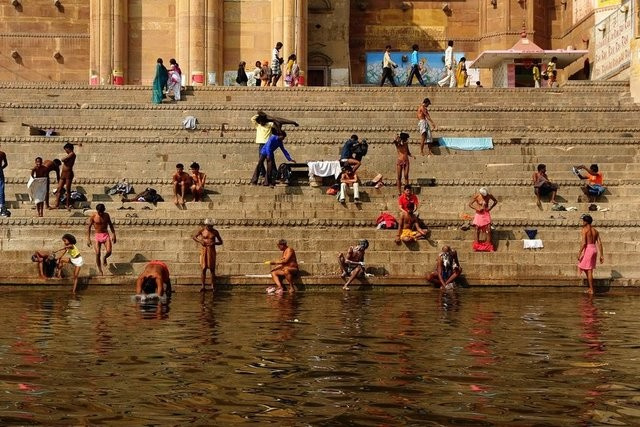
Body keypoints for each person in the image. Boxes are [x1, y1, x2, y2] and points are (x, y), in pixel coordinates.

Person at [250, 111, 299, 184]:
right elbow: (253, 118)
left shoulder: (269, 125)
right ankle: (258, 177)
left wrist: (292, 122)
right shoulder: (258, 125)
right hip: (264, 147)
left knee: (270, 164)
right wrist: (262, 115)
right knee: (261, 164)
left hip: (267, 147)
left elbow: (278, 120)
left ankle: (269, 180)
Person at [192, 218, 223, 292]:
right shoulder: (202, 230)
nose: (210, 227)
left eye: (211, 226)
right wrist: (200, 241)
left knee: (212, 269)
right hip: (204, 250)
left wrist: (214, 243)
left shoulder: (215, 232)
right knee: (203, 268)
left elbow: (221, 242)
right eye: (209, 226)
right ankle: (203, 286)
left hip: (211, 251)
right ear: (206, 225)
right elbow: (194, 237)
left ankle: (213, 286)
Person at [86, 203, 116, 276]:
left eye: (102, 212)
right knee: (97, 253)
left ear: (104, 210)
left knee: (109, 251)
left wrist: (114, 234)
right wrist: (88, 239)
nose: (101, 213)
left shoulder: (106, 215)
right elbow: (89, 227)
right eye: (99, 212)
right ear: (97, 211)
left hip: (105, 235)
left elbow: (110, 225)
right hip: (97, 236)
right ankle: (100, 270)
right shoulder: (93, 216)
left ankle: (105, 258)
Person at [577, 214, 604, 295]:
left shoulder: (585, 230)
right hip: (594, 249)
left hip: (588, 249)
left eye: (583, 221)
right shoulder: (595, 231)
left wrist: (579, 252)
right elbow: (600, 243)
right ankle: (590, 288)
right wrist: (601, 255)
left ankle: (591, 289)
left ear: (586, 222)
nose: (582, 222)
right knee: (584, 267)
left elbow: (584, 243)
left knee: (588, 270)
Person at [51, 143, 76, 211]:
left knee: (68, 190)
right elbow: (64, 159)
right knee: (59, 189)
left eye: (66, 150)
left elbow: (63, 159)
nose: (66, 151)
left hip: (68, 173)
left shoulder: (72, 154)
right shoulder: (69, 155)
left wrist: (64, 159)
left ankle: (67, 205)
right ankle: (57, 205)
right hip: (63, 173)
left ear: (69, 148)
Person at [0, 148, 7, 217]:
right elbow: (6, 164)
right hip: (0, 170)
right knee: (1, 188)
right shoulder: (2, 153)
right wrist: (1, 168)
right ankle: (2, 205)